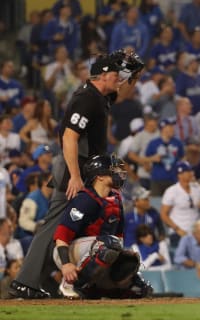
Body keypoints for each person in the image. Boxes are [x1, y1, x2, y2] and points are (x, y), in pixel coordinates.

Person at [9, 50, 144, 299]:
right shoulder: (86, 99)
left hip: (88, 169)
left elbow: (122, 91)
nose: (119, 79)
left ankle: (57, 281)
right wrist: (74, 176)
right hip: (74, 168)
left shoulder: (100, 95)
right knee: (54, 224)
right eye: (116, 75)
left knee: (83, 223)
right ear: (102, 76)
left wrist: (131, 73)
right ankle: (24, 282)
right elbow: (69, 137)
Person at [51, 154, 152, 299]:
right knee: (108, 244)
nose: (118, 173)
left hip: (99, 250)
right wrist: (66, 264)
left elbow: (118, 238)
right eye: (113, 170)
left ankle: (97, 289)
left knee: (130, 260)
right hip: (67, 253)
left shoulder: (115, 200)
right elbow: (62, 235)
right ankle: (70, 284)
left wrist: (123, 260)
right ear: (100, 176)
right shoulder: (84, 199)